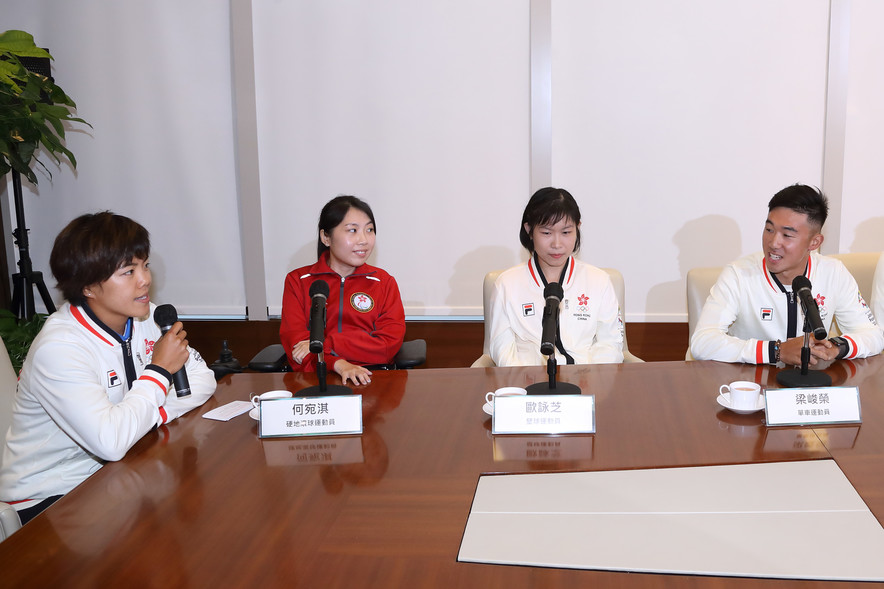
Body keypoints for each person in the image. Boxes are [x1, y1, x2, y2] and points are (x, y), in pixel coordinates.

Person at [0, 212, 216, 525]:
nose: (145, 279)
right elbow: (111, 441)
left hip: (115, 473)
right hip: (49, 497)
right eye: (128, 271)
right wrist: (158, 371)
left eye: (145, 265)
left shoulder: (147, 316)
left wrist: (147, 417)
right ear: (88, 286)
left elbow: (202, 379)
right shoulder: (59, 348)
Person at [690, 184, 883, 365]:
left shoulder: (833, 273)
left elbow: (873, 336)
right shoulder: (738, 275)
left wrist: (838, 347)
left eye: (787, 235)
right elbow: (702, 342)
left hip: (809, 388)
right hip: (751, 388)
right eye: (769, 230)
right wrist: (776, 351)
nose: (773, 243)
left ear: (814, 242)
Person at [489, 187, 624, 366]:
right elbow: (502, 351)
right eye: (546, 233)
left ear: (578, 228)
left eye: (566, 232)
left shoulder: (599, 280)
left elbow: (610, 344)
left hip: (586, 382)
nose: (557, 244)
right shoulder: (507, 284)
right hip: (529, 384)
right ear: (529, 230)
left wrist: (590, 379)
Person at [280, 195, 405, 385]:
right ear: (326, 237)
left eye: (369, 230)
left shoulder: (383, 282)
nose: (364, 240)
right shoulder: (298, 281)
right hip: (315, 378)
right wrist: (338, 363)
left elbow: (387, 346)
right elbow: (297, 349)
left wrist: (327, 344)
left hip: (372, 379)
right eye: (352, 230)